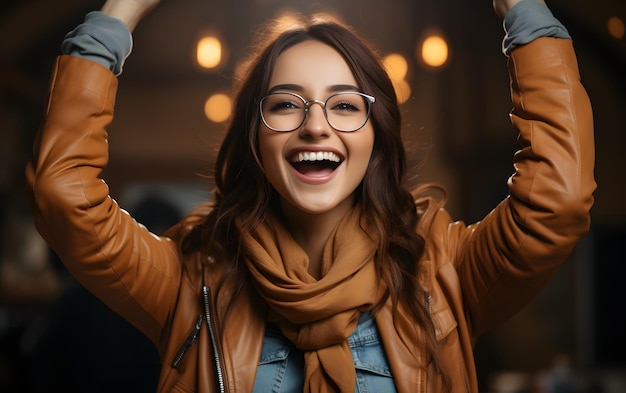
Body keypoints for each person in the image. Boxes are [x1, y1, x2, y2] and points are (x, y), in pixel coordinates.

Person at [25, 0, 596, 391]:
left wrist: (524, 14)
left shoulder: (444, 269)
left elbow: (559, 200)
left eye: (346, 105)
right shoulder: (190, 279)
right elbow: (63, 194)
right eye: (285, 104)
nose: (315, 125)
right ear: (256, 137)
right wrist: (115, 18)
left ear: (376, 139)